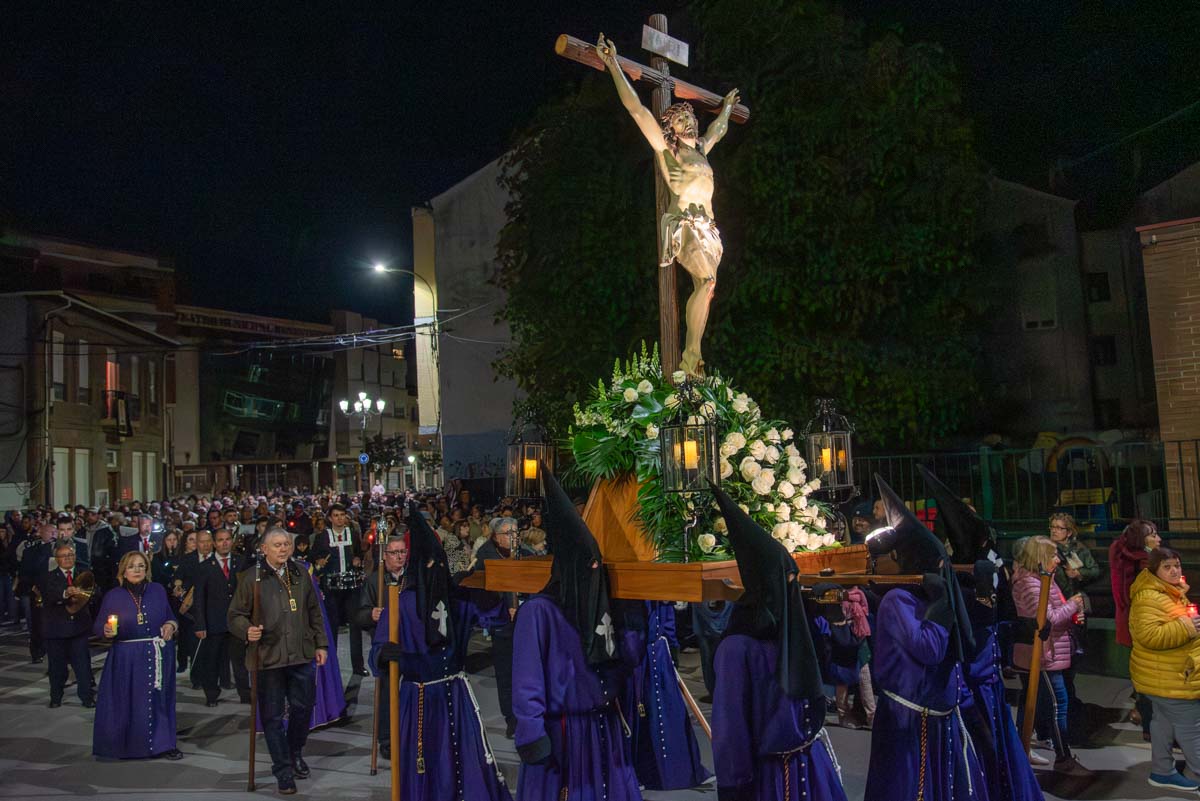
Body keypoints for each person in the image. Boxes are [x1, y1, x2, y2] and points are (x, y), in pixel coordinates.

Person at [596, 34, 739, 376]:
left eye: (690, 117)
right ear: (670, 129)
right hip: (685, 224)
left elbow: (718, 129)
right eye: (680, 119)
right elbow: (637, 110)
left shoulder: (701, 149)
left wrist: (727, 108)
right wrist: (613, 64)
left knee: (708, 289)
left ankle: (694, 356)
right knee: (706, 282)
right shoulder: (668, 151)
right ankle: (691, 358)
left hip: (709, 230)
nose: (688, 121)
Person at [512, 467, 641, 801]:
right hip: (564, 735)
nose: (593, 573)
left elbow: (622, 661)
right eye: (587, 566)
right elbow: (527, 682)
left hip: (602, 730)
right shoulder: (538, 612)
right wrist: (532, 733)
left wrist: (630, 617)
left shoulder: (598, 609)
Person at [709, 485, 846, 801]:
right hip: (769, 780)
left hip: (810, 766)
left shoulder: (790, 629)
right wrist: (734, 788)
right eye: (787, 581)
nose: (794, 590)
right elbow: (730, 729)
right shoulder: (737, 648)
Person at [371, 506, 512, 800]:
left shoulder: (458, 599)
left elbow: (497, 619)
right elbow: (378, 654)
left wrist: (484, 589)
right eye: (429, 565)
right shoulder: (401, 603)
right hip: (419, 697)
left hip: (456, 692)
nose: (434, 570)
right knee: (428, 761)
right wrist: (385, 653)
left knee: (463, 758)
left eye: (439, 564)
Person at [863, 475, 986, 801]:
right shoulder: (896, 600)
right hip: (907, 718)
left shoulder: (915, 597)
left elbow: (947, 648)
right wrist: (941, 606)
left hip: (932, 716)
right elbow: (929, 648)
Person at [228, 527, 328, 795]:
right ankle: (283, 770)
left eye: (286, 544)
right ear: (264, 549)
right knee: (272, 717)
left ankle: (294, 752)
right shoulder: (252, 577)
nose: (283, 549)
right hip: (268, 657)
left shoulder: (301, 574)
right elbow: (235, 615)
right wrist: (247, 630)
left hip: (301, 654)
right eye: (277, 545)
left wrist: (321, 643)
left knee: (303, 708)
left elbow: (313, 610)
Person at [958, 560, 1044, 801]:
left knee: (1000, 750)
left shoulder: (988, 613)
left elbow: (1001, 625)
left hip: (992, 691)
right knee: (984, 752)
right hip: (976, 694)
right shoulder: (969, 610)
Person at [1010, 535, 1091, 776]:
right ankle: (1063, 757)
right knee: (1058, 704)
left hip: (1049, 650)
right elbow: (1047, 619)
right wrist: (1073, 605)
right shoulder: (1031, 584)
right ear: (1040, 557)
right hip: (1042, 654)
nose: (1058, 559)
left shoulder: (1045, 579)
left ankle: (1021, 749)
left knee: (1031, 702)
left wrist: (1072, 614)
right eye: (1053, 555)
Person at [93, 550, 181, 760]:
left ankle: (164, 745)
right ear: (123, 571)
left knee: (159, 701)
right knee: (129, 703)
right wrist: (106, 630)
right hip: (127, 658)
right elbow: (98, 625)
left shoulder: (157, 590)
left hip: (157, 654)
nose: (137, 570)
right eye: (132, 566)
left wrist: (171, 625)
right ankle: (128, 747)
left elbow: (171, 616)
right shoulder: (114, 595)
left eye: (141, 565)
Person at [1128, 547, 1200, 793]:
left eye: (1176, 565)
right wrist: (1187, 626)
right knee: (1191, 728)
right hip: (1171, 678)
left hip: (1165, 676)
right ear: (1154, 570)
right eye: (1167, 567)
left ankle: (1162, 772)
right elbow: (1149, 636)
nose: (1174, 571)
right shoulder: (1149, 597)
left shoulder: (1169, 592)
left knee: (1163, 723)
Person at [624, 599, 711, 790]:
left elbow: (666, 612)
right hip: (637, 651)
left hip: (656, 650)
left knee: (665, 712)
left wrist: (671, 645)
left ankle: (671, 770)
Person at [359, 532, 409, 759]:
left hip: (410, 641)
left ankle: (410, 732)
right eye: (394, 552)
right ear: (384, 555)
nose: (399, 557)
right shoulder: (375, 580)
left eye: (402, 552)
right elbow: (359, 615)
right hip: (386, 645)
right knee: (387, 692)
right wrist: (371, 614)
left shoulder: (412, 578)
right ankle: (387, 739)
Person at [1110, 518, 1161, 738]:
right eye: (1153, 535)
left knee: (1144, 677)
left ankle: (1144, 717)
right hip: (1144, 627)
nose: (1159, 538)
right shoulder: (1142, 564)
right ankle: (1151, 726)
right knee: (1150, 678)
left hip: (1135, 625)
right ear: (1142, 539)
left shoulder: (1129, 557)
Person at [192, 528, 250, 706]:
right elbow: (199, 598)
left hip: (237, 622)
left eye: (227, 539)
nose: (224, 543)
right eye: (220, 540)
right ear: (214, 544)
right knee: (212, 662)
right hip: (214, 623)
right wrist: (200, 624)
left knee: (240, 661)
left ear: (232, 541)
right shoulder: (204, 567)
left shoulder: (242, 562)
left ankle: (245, 695)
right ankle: (211, 695)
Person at [311, 503, 367, 676]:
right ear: (330, 518)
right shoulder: (322, 537)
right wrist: (319, 562)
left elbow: (360, 553)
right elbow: (313, 557)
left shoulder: (353, 534)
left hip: (351, 587)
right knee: (332, 626)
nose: (339, 518)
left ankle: (358, 666)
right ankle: (331, 667)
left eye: (342, 515)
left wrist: (358, 559)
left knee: (355, 626)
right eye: (336, 515)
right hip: (331, 588)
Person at [40, 541, 96, 708]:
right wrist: (65, 593)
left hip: (79, 628)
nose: (67, 558)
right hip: (56, 630)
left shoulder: (84, 573)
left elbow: (96, 592)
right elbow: (49, 595)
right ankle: (56, 697)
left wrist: (87, 594)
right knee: (57, 667)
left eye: (70, 555)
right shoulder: (48, 577)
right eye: (63, 556)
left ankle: (87, 697)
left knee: (83, 666)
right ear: (56, 559)